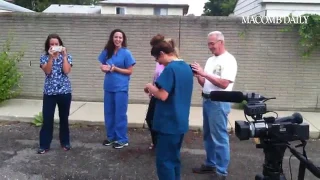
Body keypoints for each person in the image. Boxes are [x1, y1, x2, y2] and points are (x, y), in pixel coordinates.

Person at [144, 34, 193, 180]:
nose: (158, 62)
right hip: (180, 122)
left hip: (168, 123)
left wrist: (149, 87)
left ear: (162, 54)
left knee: (164, 162)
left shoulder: (170, 69)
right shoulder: (186, 67)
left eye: (157, 59)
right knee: (174, 159)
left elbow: (163, 95)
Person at [191, 31, 238, 180]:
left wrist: (204, 73)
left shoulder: (229, 60)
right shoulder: (211, 60)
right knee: (208, 135)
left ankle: (221, 172)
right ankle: (211, 164)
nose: (210, 47)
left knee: (219, 137)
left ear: (221, 42)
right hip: (207, 100)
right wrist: (199, 75)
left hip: (219, 102)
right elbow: (205, 82)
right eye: (208, 44)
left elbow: (224, 83)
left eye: (212, 43)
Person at [98, 29, 136, 149]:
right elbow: (102, 65)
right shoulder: (107, 51)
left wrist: (116, 69)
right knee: (109, 113)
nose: (118, 39)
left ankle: (122, 139)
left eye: (120, 37)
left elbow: (130, 71)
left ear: (123, 39)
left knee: (120, 114)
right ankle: (111, 137)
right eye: (116, 37)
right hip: (109, 86)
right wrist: (103, 68)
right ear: (112, 38)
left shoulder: (126, 53)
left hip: (121, 88)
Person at [38, 33, 73, 154]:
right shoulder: (44, 58)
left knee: (64, 118)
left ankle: (65, 142)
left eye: (56, 44)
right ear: (48, 46)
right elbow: (47, 71)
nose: (54, 46)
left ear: (60, 45)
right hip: (49, 92)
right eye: (51, 44)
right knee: (47, 119)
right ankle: (44, 145)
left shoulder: (67, 57)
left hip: (64, 92)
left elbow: (66, 71)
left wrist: (64, 56)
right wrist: (51, 57)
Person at [145, 37, 180, 150]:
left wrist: (152, 88)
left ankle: (162, 144)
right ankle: (156, 142)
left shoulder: (171, 65)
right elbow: (156, 76)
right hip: (156, 92)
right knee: (150, 118)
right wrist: (152, 87)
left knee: (159, 120)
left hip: (163, 93)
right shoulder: (159, 62)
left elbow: (165, 92)